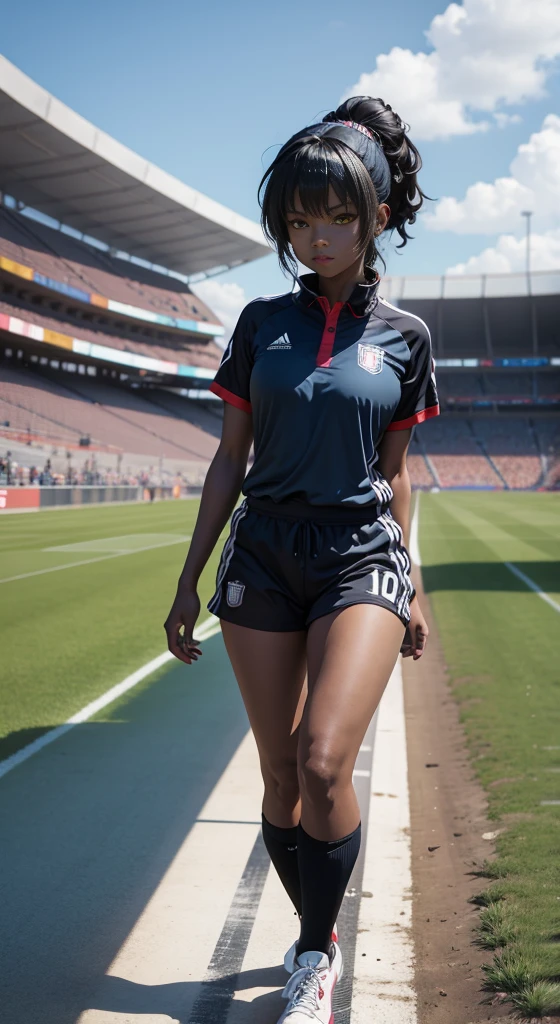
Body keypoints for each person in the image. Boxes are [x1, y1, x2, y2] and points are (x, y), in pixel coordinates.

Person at [164, 95, 440, 1023]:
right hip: (264, 556)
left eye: (336, 218)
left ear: (377, 218)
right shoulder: (257, 324)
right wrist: (186, 578)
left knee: (325, 764)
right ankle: (311, 927)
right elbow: (227, 459)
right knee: (281, 778)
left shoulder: (408, 339)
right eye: (299, 220)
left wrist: (418, 587)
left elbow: (396, 479)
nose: (316, 237)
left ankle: (314, 956)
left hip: (360, 554)